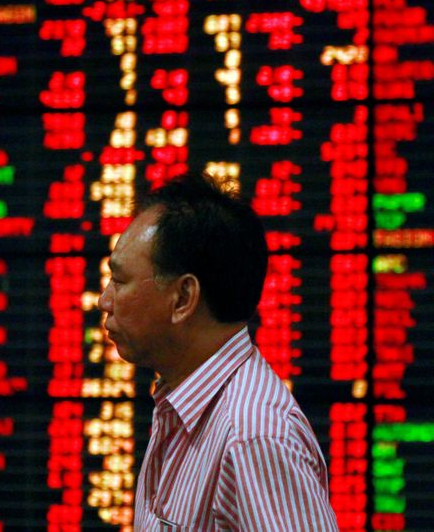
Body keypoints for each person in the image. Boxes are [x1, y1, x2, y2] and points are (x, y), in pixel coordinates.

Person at [99, 173, 338, 530]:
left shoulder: (255, 436)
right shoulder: (182, 405)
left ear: (182, 299)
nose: (105, 300)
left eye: (119, 281)